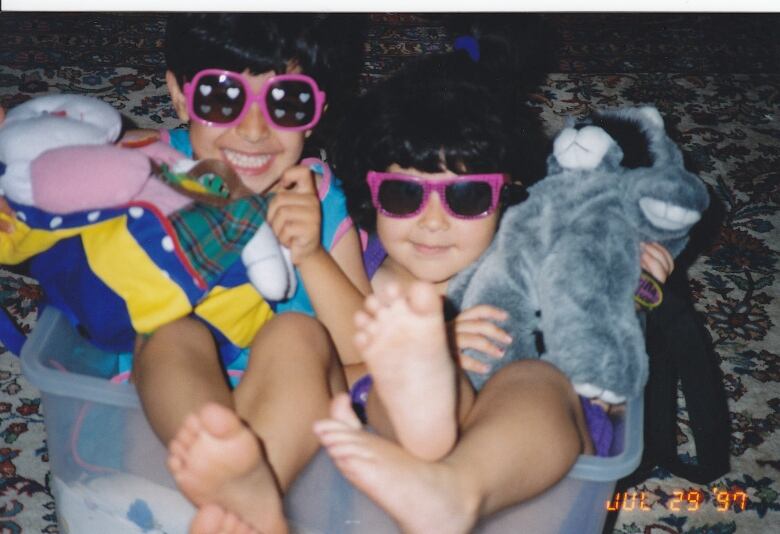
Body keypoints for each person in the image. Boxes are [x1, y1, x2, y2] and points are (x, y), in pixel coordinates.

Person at [305, 37, 677, 533]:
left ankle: (455, 490)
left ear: (507, 196)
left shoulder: (536, 265)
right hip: (380, 488)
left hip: (527, 486)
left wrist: (629, 291)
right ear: (369, 196)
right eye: (402, 193)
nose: (432, 222)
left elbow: (606, 387)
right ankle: (426, 430)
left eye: (466, 195)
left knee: (537, 383)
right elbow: (317, 382)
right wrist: (431, 357)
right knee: (384, 388)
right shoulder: (356, 269)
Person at [123, 14, 370, 534]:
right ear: (180, 95)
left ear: (316, 111)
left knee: (297, 333)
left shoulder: (318, 196)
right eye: (220, 97)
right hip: (170, 435)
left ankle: (247, 505)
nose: (254, 130)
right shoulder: (154, 169)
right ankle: (243, 504)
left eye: (287, 102)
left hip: (296, 445)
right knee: (168, 328)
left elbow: (366, 357)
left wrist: (310, 256)